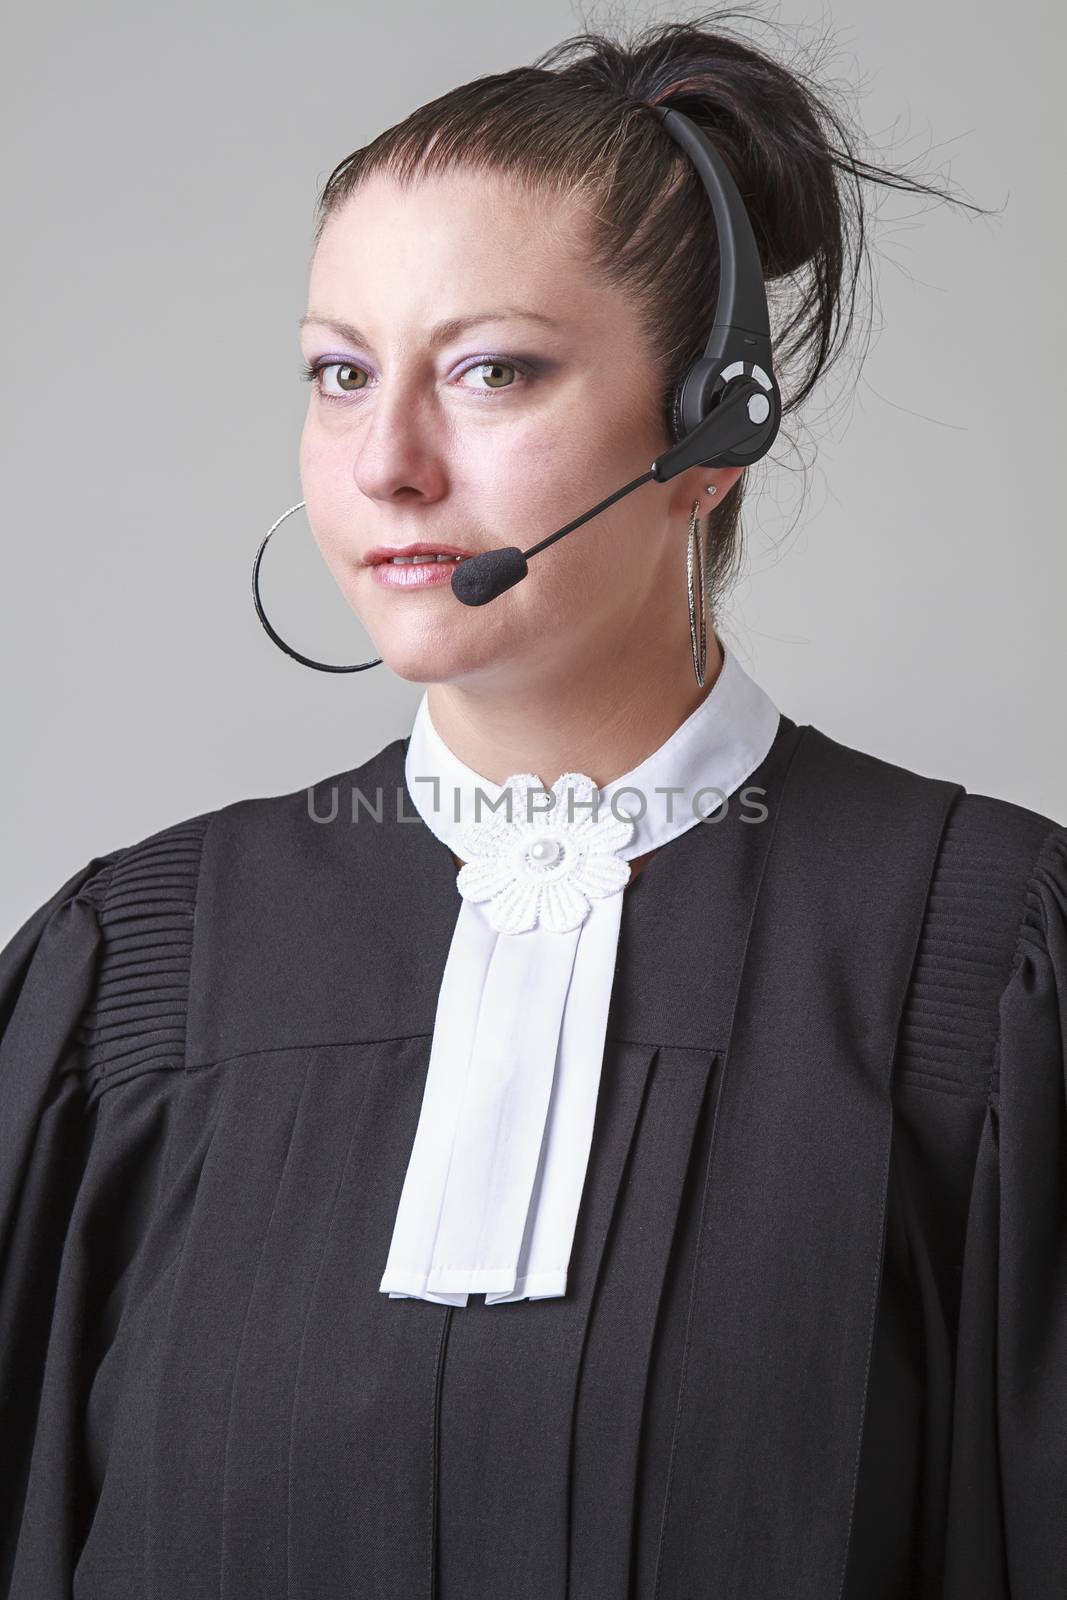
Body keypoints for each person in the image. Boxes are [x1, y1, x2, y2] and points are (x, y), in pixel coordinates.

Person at [1, 13, 1064, 1600]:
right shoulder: (134, 971)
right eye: (342, 374)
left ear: (713, 430)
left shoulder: (986, 966)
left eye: (492, 370)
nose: (388, 464)